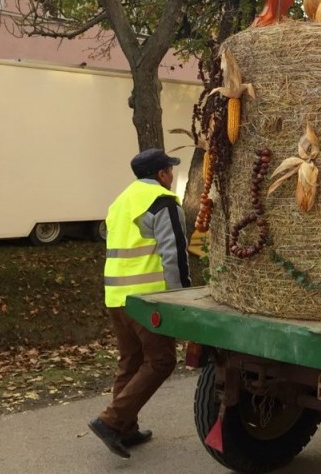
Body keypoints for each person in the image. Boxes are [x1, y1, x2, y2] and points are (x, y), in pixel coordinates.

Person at [88, 149, 191, 458]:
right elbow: (173, 253)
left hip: (116, 296)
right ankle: (110, 421)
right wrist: (181, 297)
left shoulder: (120, 202)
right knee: (161, 361)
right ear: (161, 174)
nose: (172, 176)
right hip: (148, 297)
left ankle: (125, 429)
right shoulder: (161, 202)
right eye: (169, 171)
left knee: (131, 361)